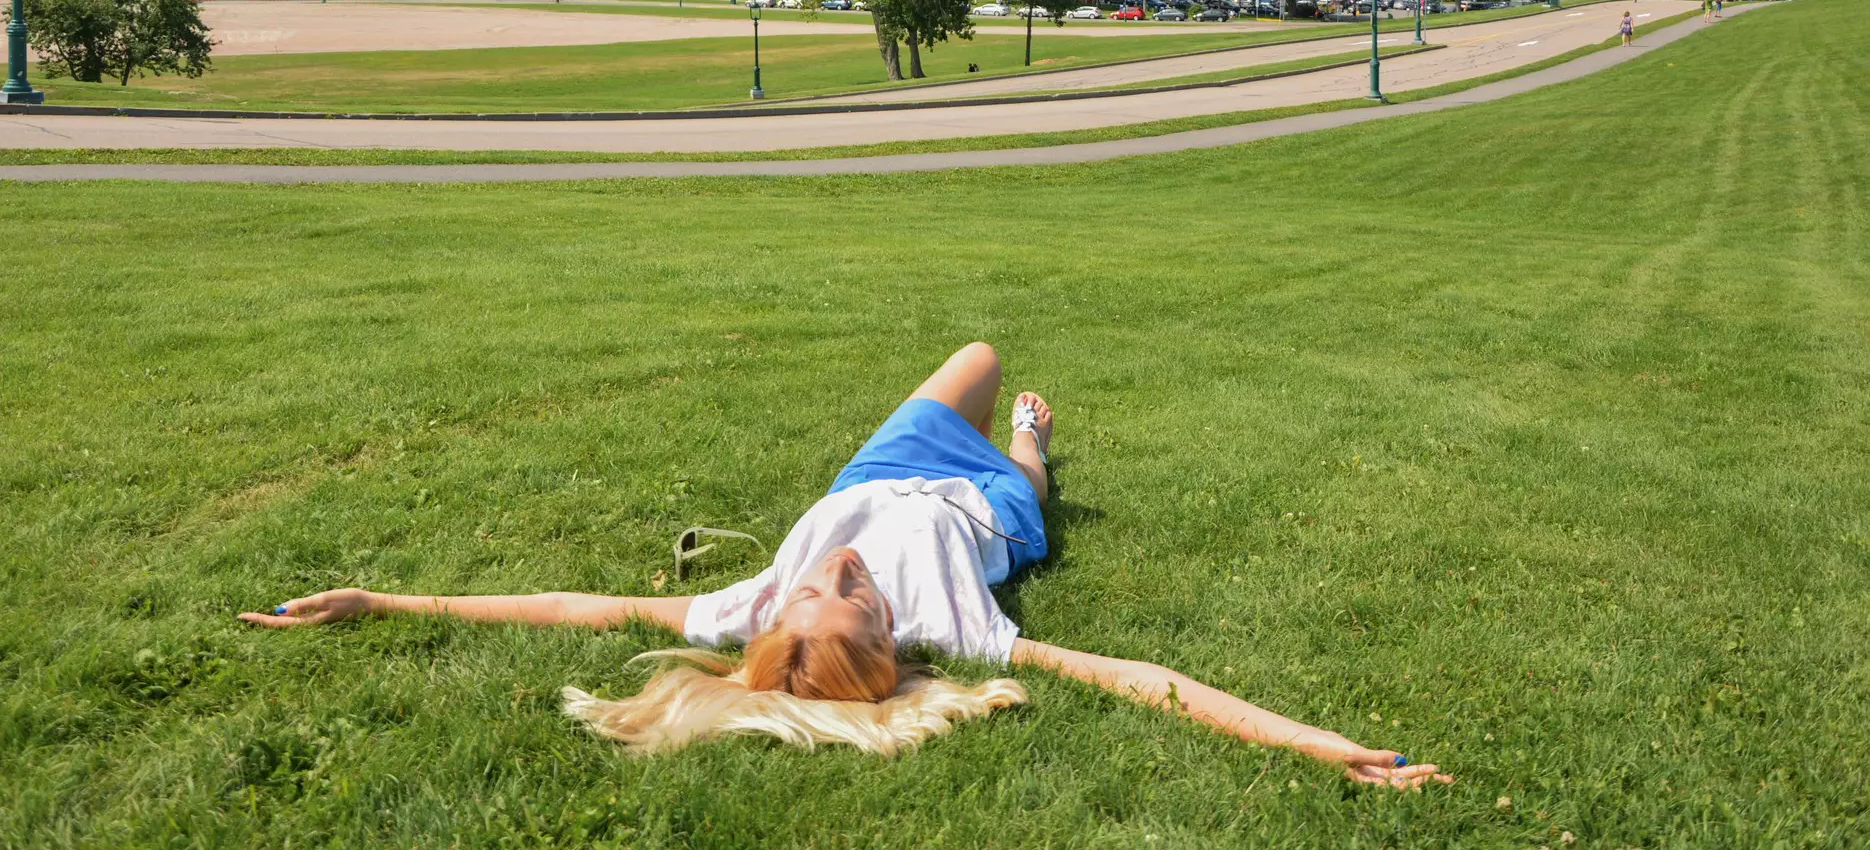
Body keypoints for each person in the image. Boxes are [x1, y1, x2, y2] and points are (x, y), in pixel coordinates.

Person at [240, 344, 1447, 787]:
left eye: (824, 586)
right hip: (982, 508)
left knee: (969, 351)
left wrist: (383, 596)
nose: (839, 576)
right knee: (1025, 462)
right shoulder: (960, 639)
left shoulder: (756, 607)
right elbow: (1142, 675)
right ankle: (1035, 436)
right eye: (850, 596)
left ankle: (1009, 413)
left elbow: (586, 604)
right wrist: (1320, 748)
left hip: (884, 458)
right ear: (888, 644)